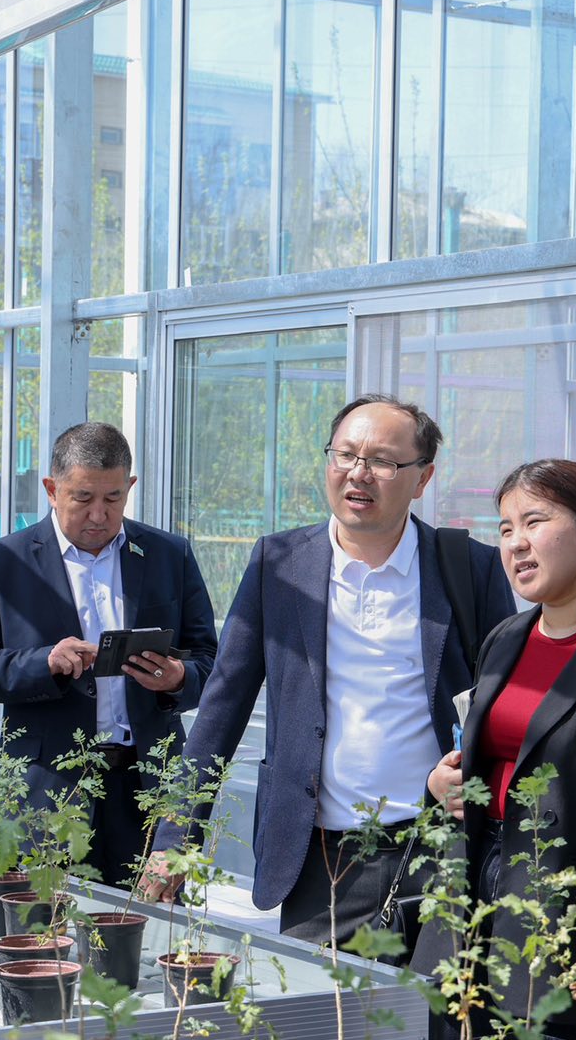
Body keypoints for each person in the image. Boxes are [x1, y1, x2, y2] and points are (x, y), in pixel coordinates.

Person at [154, 394, 516, 946]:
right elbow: (223, 705)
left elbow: (503, 705)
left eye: (383, 461)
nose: (358, 473)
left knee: (432, 1003)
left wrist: (477, 777)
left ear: (423, 478)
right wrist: (175, 837)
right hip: (316, 856)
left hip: (436, 850)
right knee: (313, 1000)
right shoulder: (280, 564)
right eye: (345, 454)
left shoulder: (469, 567)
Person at [0, 422, 218, 887]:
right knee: (44, 925)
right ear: (52, 490)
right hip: (47, 790)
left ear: (130, 487)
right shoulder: (2, 563)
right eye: (83, 498)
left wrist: (177, 678)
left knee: (148, 926)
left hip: (149, 790)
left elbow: (212, 662)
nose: (99, 514)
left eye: (113, 498)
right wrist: (43, 663)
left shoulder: (169, 555)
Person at [425, 459, 576, 1040]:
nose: (516, 543)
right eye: (505, 528)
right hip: (472, 896)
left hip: (569, 909)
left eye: (534, 522)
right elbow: (495, 754)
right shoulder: (506, 638)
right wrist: (446, 783)